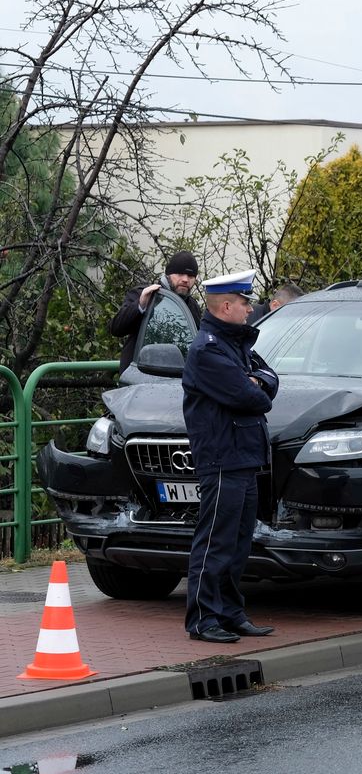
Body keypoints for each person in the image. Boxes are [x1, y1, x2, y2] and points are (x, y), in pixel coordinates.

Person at [183, 269, 280, 644]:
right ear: (226, 306)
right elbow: (252, 397)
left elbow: (270, 378)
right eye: (244, 302)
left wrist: (257, 382)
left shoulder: (235, 344)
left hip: (244, 456)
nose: (250, 308)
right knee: (215, 541)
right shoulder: (208, 350)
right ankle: (203, 618)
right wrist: (255, 385)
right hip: (223, 457)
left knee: (239, 542)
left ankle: (230, 612)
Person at [109, 251, 200, 373]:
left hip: (177, 378)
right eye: (180, 274)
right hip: (139, 376)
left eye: (190, 276)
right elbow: (116, 328)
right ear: (168, 274)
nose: (185, 279)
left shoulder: (192, 306)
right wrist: (140, 305)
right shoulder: (145, 294)